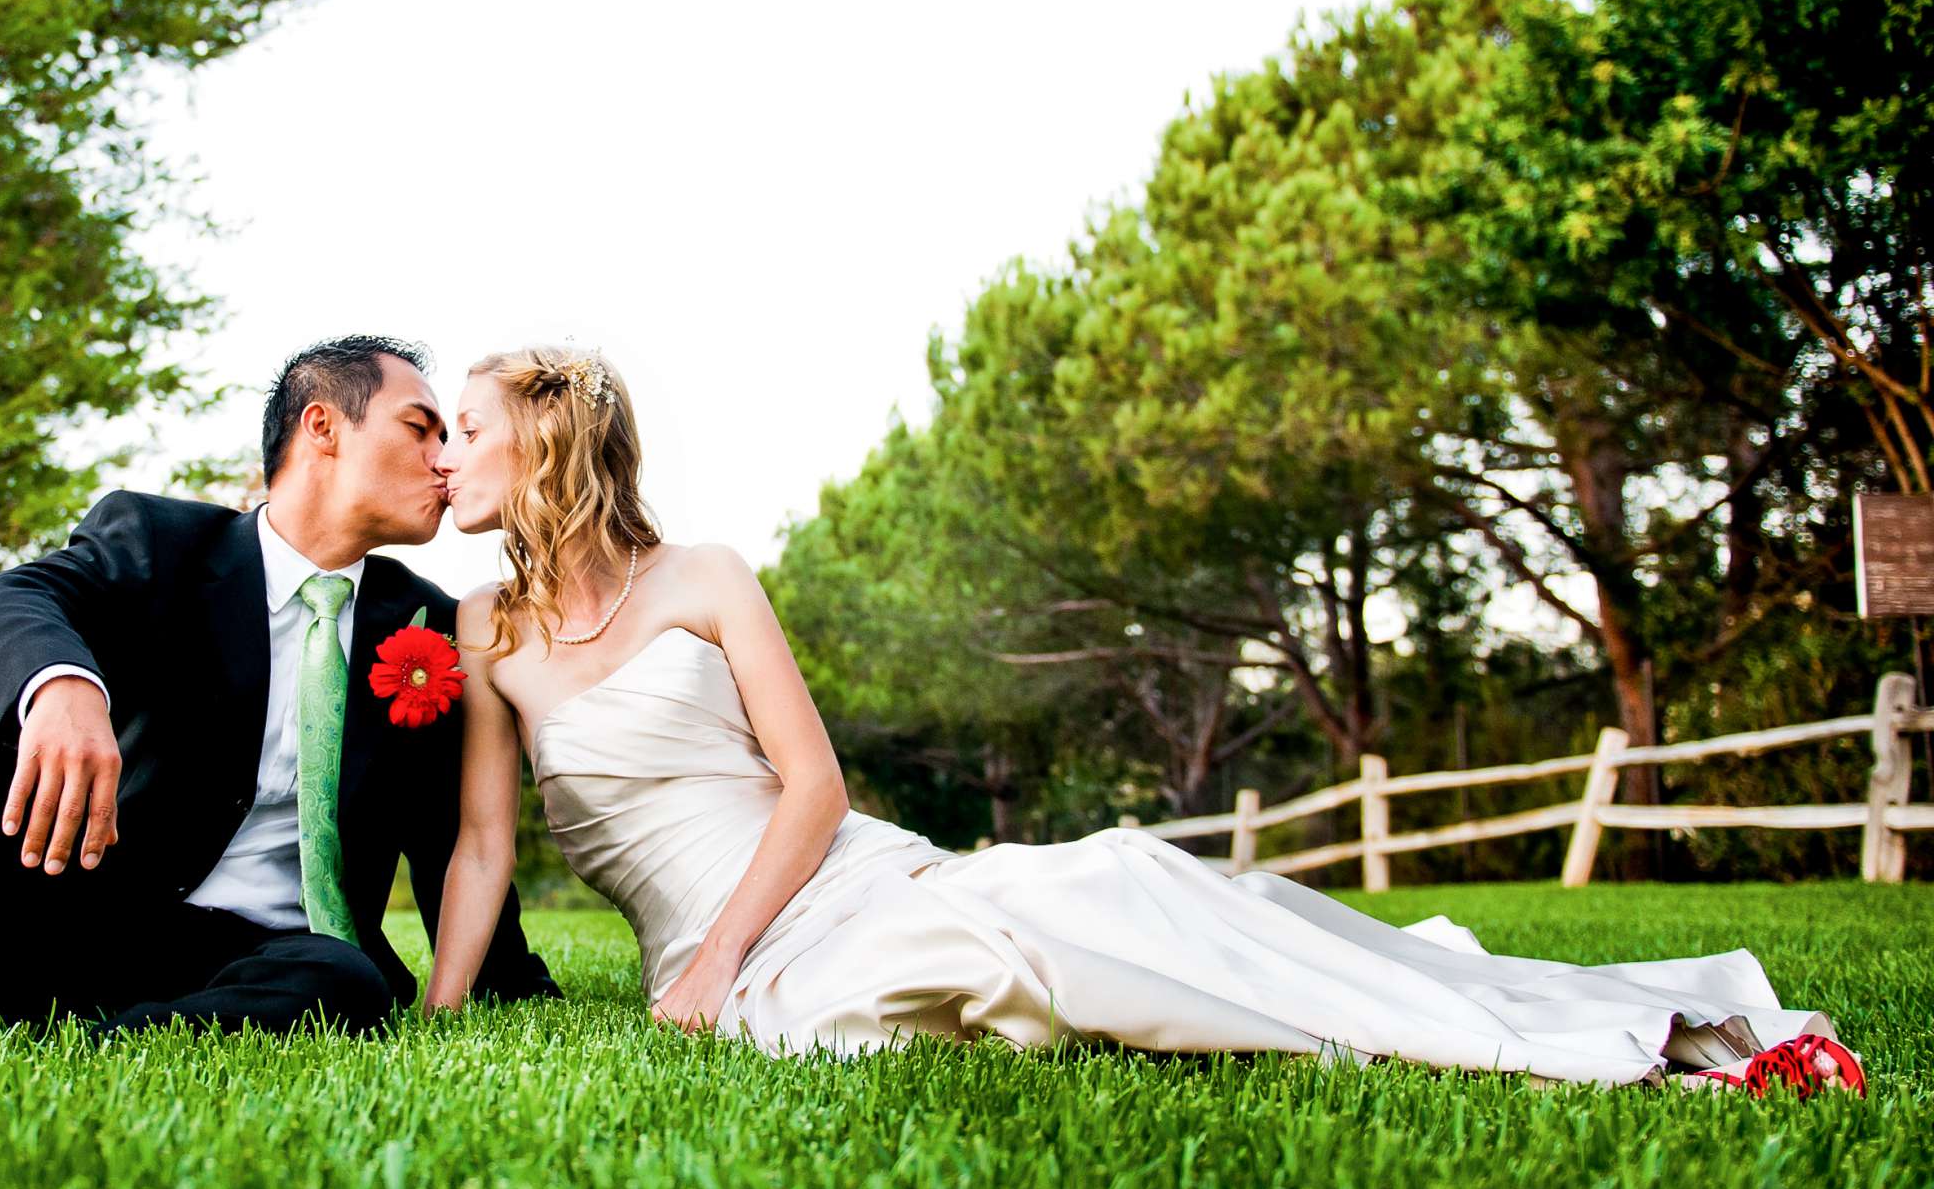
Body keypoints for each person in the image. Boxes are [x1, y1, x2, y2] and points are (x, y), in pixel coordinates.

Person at [417, 344, 1865, 1095]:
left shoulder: (708, 576)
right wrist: (434, 1015)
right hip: (727, 966)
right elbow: (485, 849)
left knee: (1095, 893)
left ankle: (1653, 1035)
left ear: (543, 438)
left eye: (464, 428)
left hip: (823, 888)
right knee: (994, 971)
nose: (446, 458)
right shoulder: (487, 632)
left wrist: (720, 960)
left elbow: (811, 788)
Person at [0, 336, 558, 1053]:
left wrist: (513, 986)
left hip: (258, 965)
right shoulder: (162, 546)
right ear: (323, 427)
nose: (446, 459)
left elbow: (458, 835)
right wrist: (62, 687)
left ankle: (71, 1045)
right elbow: (4, 602)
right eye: (421, 426)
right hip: (63, 921)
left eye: (451, 437)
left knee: (346, 982)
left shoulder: (432, 629)